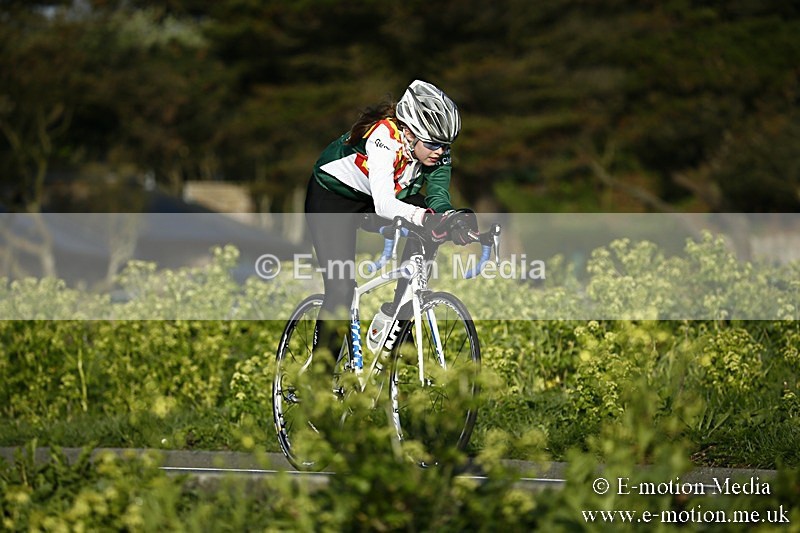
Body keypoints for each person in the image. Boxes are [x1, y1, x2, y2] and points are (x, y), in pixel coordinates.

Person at [304, 79, 478, 366]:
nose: (439, 151)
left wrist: (449, 221)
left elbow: (437, 197)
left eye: (445, 145)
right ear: (409, 132)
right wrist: (423, 218)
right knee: (341, 290)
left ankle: (397, 317)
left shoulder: (436, 150)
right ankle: (319, 377)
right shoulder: (383, 138)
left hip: (376, 198)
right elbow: (384, 204)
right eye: (433, 144)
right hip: (334, 199)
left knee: (431, 226)